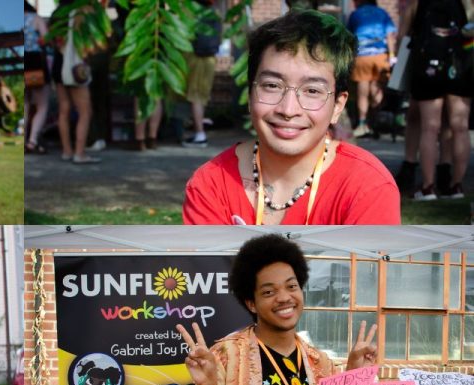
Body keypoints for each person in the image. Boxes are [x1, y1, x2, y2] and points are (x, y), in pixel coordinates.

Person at [183, 9, 400, 224]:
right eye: (272, 86)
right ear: (250, 95)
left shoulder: (367, 187)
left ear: (338, 106)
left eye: (312, 91)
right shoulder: (211, 185)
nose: (288, 110)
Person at [177, 233, 379, 385]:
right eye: (269, 291)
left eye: (291, 286)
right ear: (252, 303)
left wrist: (351, 381)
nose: (284, 297)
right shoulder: (226, 355)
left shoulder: (320, 363)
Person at [399, 0, 471, 200]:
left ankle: (428, 187)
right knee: (460, 126)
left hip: (428, 64)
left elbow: (403, 34)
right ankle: (456, 186)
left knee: (429, 128)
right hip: (460, 63)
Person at [50, 0, 100, 164]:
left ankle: (67, 150)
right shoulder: (82, 11)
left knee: (64, 109)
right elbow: (88, 42)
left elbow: (51, 40)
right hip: (74, 66)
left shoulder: (57, 13)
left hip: (59, 63)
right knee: (85, 111)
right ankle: (79, 152)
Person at [347, 0, 396, 138]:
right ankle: (375, 121)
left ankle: (363, 124)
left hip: (362, 55)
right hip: (380, 55)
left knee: (362, 90)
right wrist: (392, 55)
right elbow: (390, 35)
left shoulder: (355, 14)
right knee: (377, 87)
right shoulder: (382, 12)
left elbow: (349, 36)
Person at [183, 0, 222, 148]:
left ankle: (200, 135)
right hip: (210, 59)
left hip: (196, 58)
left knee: (195, 97)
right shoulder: (215, 14)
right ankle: (198, 131)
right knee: (202, 96)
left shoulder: (191, 13)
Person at [25, 0, 50, 154]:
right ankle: (32, 141)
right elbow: (46, 39)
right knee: (42, 105)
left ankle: (24, 137)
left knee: (26, 103)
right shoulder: (35, 18)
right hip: (35, 62)